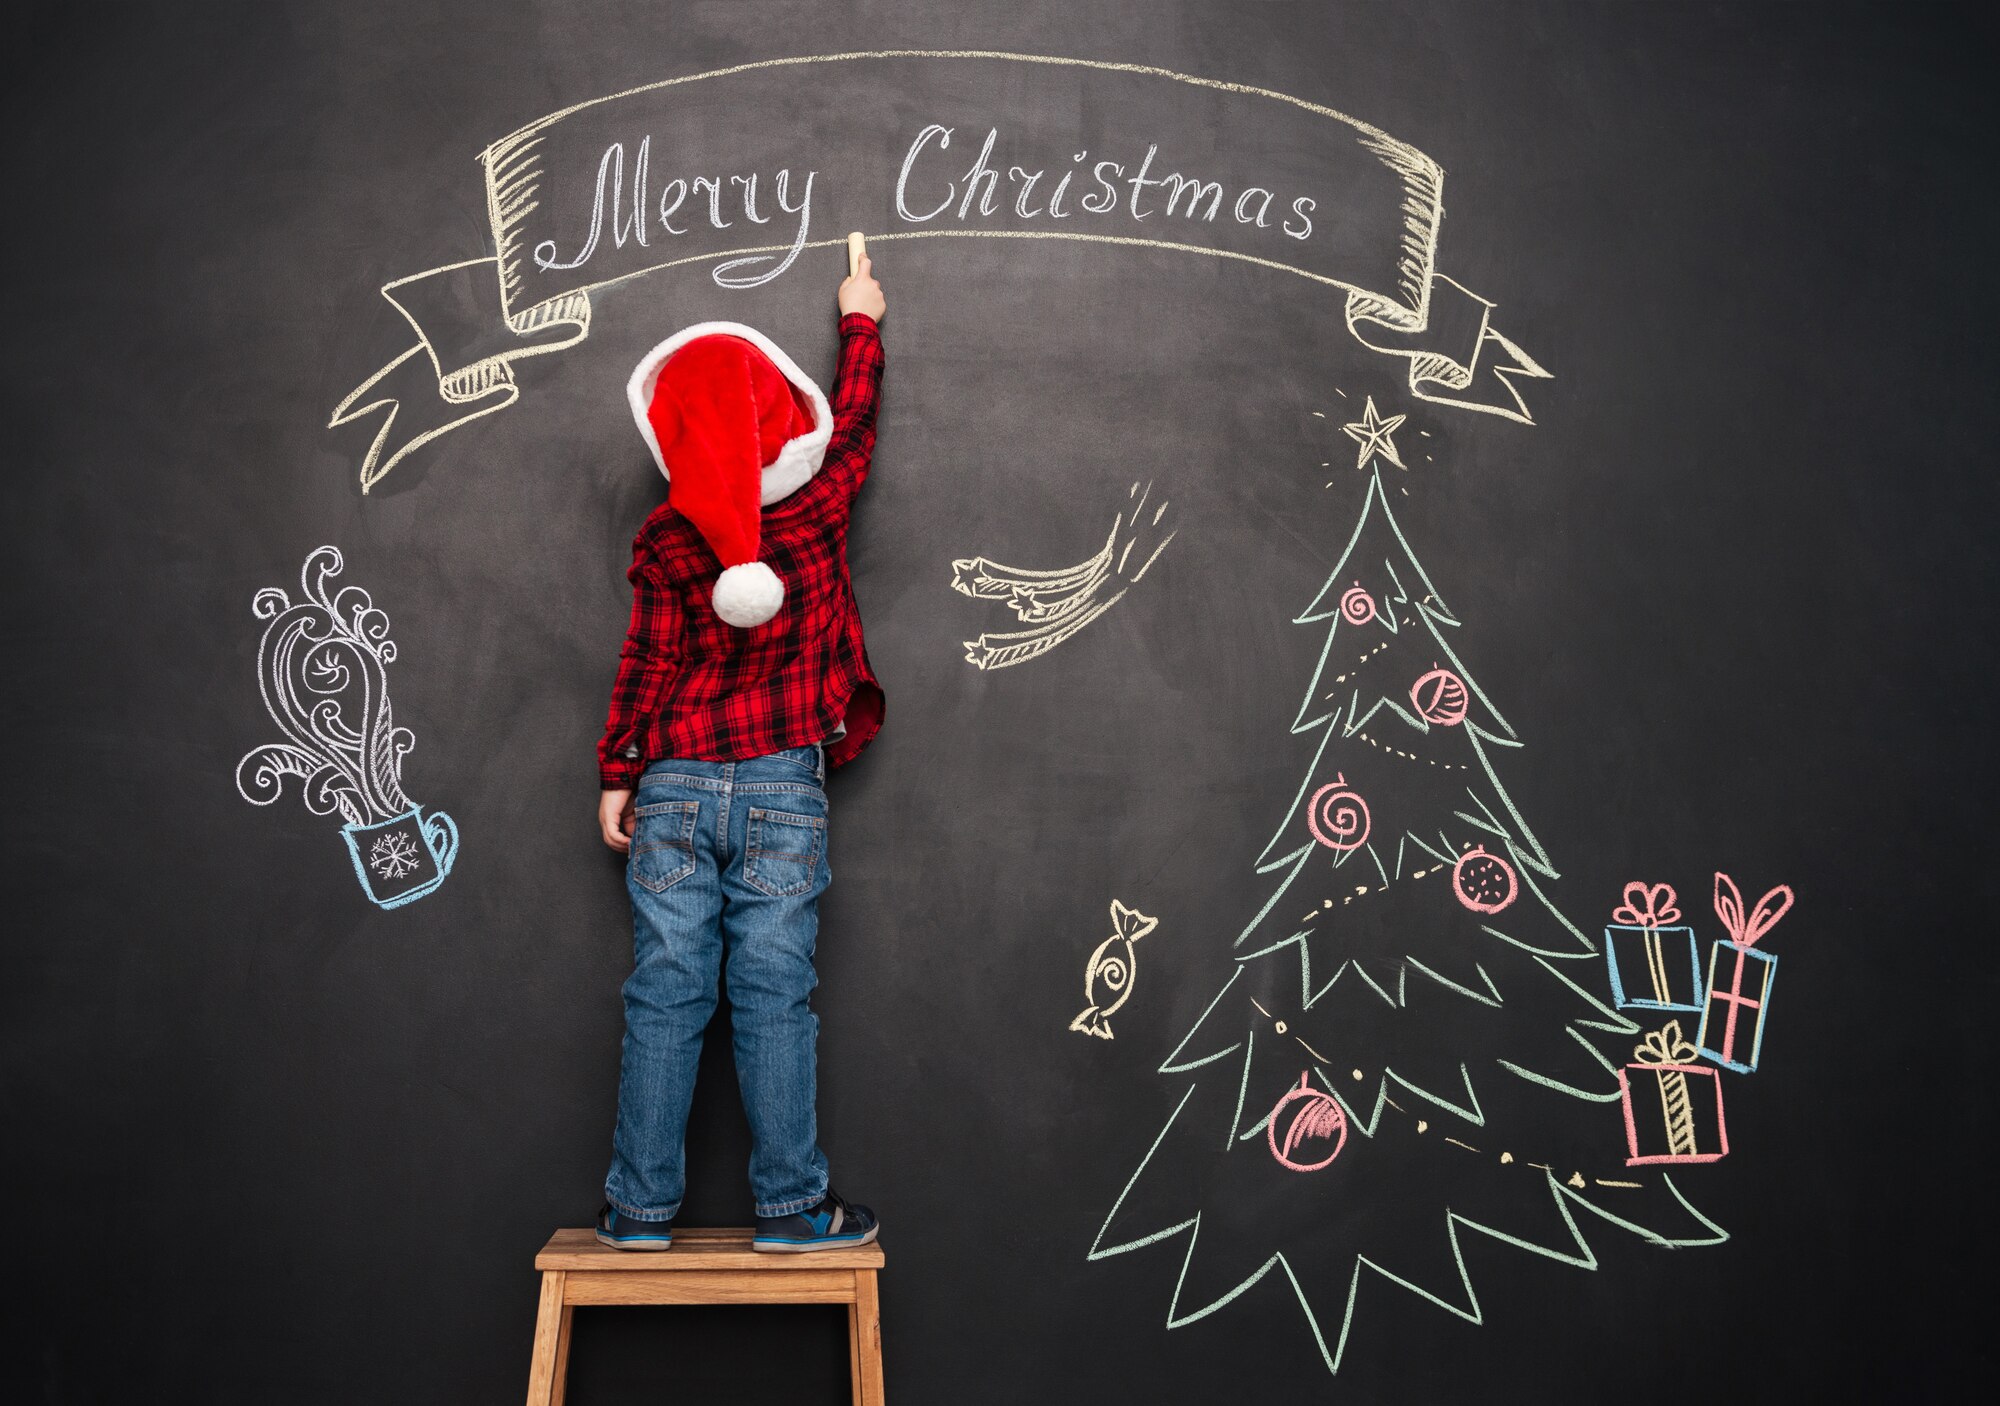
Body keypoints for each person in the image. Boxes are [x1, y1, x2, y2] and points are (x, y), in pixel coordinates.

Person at [591, 257, 888, 1252]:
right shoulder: (815, 507)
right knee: (774, 995)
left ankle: (638, 1210)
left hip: (671, 788)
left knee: (664, 993)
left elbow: (647, 660)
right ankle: (792, 1208)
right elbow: (851, 429)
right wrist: (859, 324)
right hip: (780, 792)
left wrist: (616, 772)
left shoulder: (668, 537)